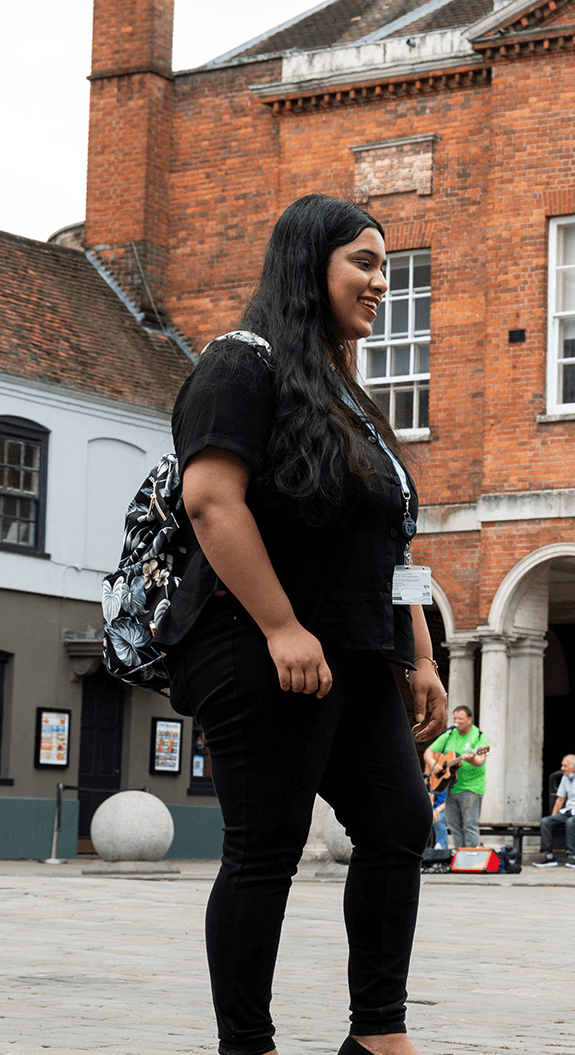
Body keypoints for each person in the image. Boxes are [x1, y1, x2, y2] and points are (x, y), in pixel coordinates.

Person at [163, 193, 448, 1055]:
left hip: (358, 653)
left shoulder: (350, 398)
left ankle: (377, 1035)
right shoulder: (239, 365)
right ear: (306, 264)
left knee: (400, 825)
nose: (381, 283)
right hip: (257, 643)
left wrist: (420, 653)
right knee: (267, 845)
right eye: (364, 262)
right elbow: (211, 502)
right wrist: (282, 625)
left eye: (386, 267)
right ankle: (247, 1044)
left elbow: (393, 538)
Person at [425, 706, 489, 848]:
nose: (456, 721)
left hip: (471, 787)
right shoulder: (449, 734)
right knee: (453, 825)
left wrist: (470, 758)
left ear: (470, 720)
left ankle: (470, 857)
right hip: (451, 787)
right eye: (454, 718)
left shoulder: (479, 737)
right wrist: (434, 764)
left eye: (460, 719)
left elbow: (479, 761)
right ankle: (459, 854)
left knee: (469, 825)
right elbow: (428, 752)